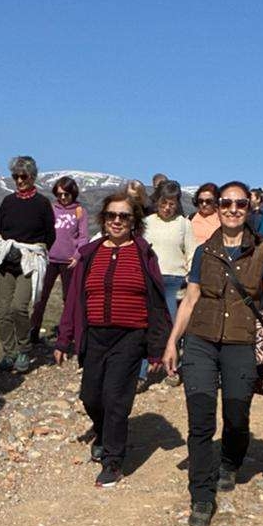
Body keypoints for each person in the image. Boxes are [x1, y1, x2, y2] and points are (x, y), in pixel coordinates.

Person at [163, 181, 263, 526]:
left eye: (240, 204)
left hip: (240, 341)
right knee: (200, 420)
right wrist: (173, 342)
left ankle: (231, 461)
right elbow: (190, 299)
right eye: (226, 203)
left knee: (236, 413)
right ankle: (202, 495)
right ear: (218, 208)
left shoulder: (262, 250)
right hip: (201, 341)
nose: (233, 209)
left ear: (249, 208)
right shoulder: (204, 251)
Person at [54, 193, 173, 487]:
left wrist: (158, 348)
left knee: (116, 398)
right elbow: (74, 300)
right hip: (95, 335)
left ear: (134, 221)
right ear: (103, 219)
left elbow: (157, 302)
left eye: (124, 216)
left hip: (130, 336)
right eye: (111, 215)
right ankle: (104, 431)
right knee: (91, 396)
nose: (117, 221)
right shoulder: (90, 254)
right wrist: (64, 338)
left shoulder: (144, 254)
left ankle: (113, 461)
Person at [0, 155, 55, 372]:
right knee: (3, 311)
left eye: (23, 176)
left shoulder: (42, 204)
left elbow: (50, 235)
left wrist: (33, 251)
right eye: (15, 176)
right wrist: (8, 249)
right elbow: (2, 230)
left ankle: (24, 349)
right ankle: (9, 353)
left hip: (30, 262)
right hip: (6, 262)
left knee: (19, 307)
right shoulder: (8, 202)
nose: (19, 180)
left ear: (32, 177)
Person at [140, 180, 194, 387]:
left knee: (172, 327)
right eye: (164, 203)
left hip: (174, 281)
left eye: (172, 203)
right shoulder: (147, 222)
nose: (167, 207)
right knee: (146, 326)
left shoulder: (184, 224)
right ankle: (141, 373)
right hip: (150, 280)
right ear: (157, 201)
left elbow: (191, 252)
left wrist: (189, 277)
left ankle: (172, 369)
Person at [30, 175, 86, 344]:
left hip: (69, 262)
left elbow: (83, 237)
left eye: (66, 194)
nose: (62, 197)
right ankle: (33, 332)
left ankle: (68, 335)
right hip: (49, 259)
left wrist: (77, 256)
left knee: (69, 300)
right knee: (40, 297)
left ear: (73, 193)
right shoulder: (51, 209)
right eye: (59, 194)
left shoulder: (79, 211)